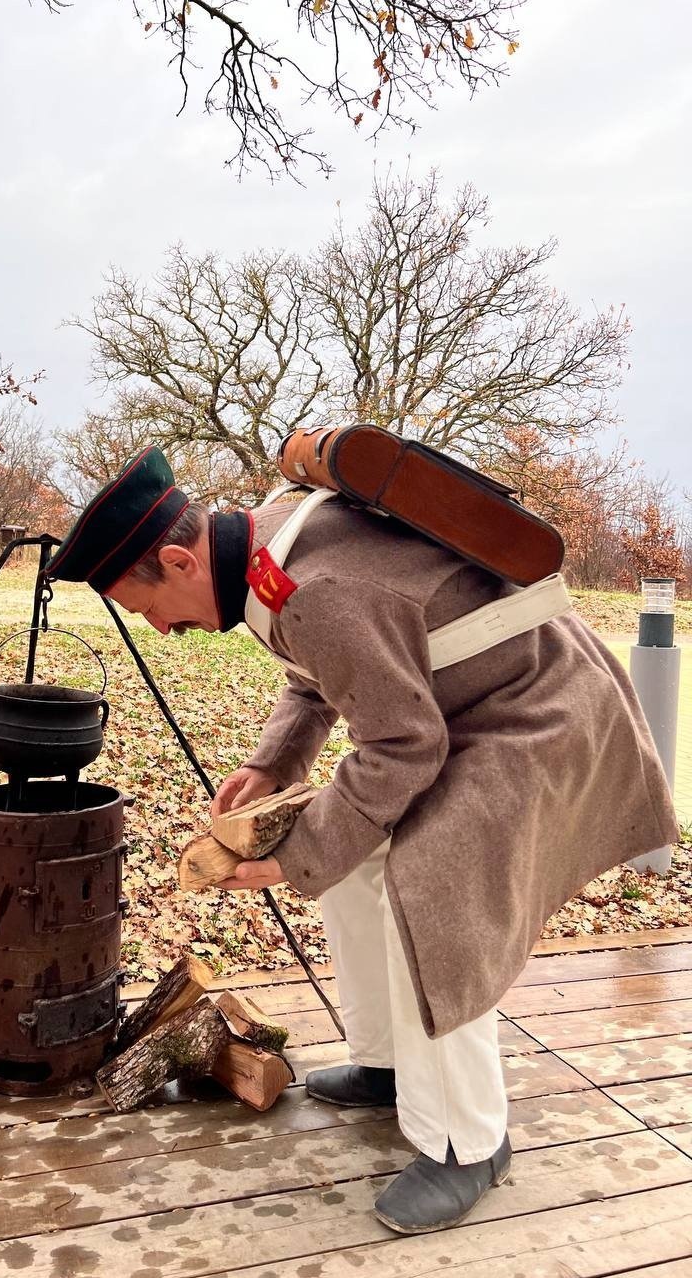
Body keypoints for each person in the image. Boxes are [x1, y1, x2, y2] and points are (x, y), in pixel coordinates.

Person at [44, 445, 677, 1234]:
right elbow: (321, 672)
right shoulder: (265, 549)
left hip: (538, 711)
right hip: (468, 707)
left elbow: (403, 745)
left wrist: (290, 859)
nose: (162, 629)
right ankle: (388, 1067)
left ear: (177, 558)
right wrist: (272, 763)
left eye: (147, 609)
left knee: (432, 883)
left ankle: (466, 1143)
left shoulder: (315, 588)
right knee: (352, 861)